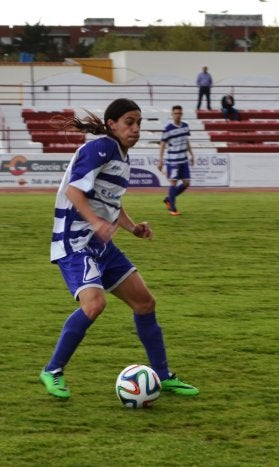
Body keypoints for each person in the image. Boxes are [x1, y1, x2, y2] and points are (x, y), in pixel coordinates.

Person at [40, 98, 199, 399]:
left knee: (145, 303)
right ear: (112, 124)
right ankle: (52, 370)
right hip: (74, 243)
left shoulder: (120, 156)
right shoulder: (101, 148)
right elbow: (74, 192)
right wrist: (95, 223)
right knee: (94, 304)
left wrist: (132, 227)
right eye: (129, 121)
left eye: (139, 122)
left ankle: (163, 376)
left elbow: (111, 202)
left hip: (100, 244)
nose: (136, 128)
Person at [158, 105, 195, 216]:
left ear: (182, 114)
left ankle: (169, 199)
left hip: (183, 159)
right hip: (173, 160)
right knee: (173, 183)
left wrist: (192, 155)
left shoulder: (185, 126)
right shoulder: (168, 129)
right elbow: (162, 144)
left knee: (186, 183)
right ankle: (172, 208)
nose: (178, 115)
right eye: (176, 113)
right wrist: (160, 160)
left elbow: (186, 141)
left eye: (179, 113)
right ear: (172, 114)